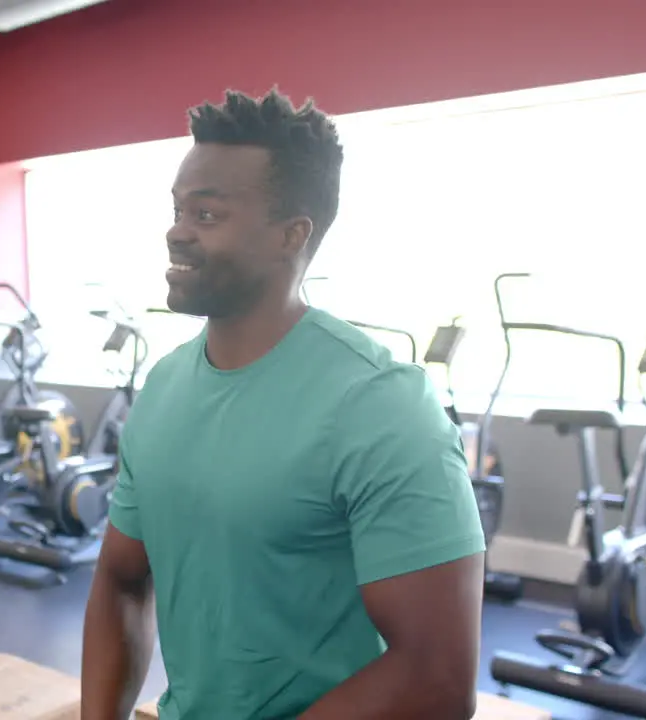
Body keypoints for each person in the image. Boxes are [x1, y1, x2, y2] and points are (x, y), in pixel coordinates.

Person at [79, 88, 486, 720]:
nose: (176, 231)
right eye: (178, 209)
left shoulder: (379, 405)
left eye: (207, 215)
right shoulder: (162, 388)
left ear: (290, 235)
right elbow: (121, 581)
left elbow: (435, 679)